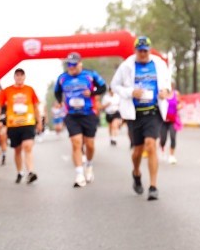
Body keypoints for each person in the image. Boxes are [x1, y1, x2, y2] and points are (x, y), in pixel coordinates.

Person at [111, 36, 172, 201]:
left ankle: (153, 186)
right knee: (137, 151)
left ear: (150, 50)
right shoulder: (126, 66)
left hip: (153, 111)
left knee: (151, 145)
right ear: (135, 50)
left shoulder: (159, 63)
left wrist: (165, 91)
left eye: (145, 51)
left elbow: (167, 82)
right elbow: (114, 85)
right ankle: (136, 173)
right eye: (140, 51)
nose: (143, 54)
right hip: (134, 113)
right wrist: (130, 92)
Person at [54, 52, 107, 188]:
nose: (71, 67)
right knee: (76, 142)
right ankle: (79, 174)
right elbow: (57, 91)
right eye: (69, 65)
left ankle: (89, 165)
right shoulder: (62, 78)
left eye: (74, 64)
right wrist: (60, 101)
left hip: (88, 113)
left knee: (90, 145)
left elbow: (103, 87)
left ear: (80, 64)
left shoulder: (90, 74)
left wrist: (92, 93)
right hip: (71, 115)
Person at [0, 69, 42, 184]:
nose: (19, 77)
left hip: (28, 122)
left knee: (27, 146)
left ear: (24, 77)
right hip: (13, 124)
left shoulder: (29, 90)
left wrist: (39, 121)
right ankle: (20, 172)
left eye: (21, 75)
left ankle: (30, 172)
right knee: (17, 150)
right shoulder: (7, 91)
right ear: (14, 77)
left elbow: (35, 106)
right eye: (17, 75)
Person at [159, 85, 183, 164]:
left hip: (173, 120)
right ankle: (162, 148)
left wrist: (179, 106)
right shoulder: (162, 93)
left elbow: (180, 103)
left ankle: (172, 156)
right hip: (163, 120)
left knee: (173, 137)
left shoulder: (176, 93)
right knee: (163, 139)